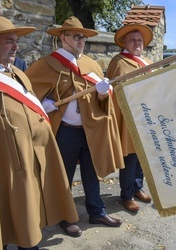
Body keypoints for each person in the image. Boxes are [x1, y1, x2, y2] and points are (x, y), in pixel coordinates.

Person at [0, 15, 79, 249]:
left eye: (16, 40)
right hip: (3, 167)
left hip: (30, 163)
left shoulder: (18, 74)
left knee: (29, 223)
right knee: (6, 222)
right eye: (8, 41)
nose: (15, 46)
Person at [25, 16, 125, 235]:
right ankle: (65, 216)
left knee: (92, 173)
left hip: (90, 130)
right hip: (65, 132)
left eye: (84, 36)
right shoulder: (46, 64)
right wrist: (43, 104)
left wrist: (102, 94)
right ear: (63, 37)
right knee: (64, 176)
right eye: (77, 36)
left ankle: (96, 211)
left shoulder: (91, 65)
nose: (81, 40)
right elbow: (26, 96)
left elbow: (102, 100)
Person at [106, 24, 153, 213]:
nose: (137, 43)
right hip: (128, 117)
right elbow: (116, 92)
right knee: (130, 156)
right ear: (124, 42)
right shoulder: (119, 61)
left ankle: (137, 187)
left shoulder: (148, 62)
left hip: (146, 115)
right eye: (132, 40)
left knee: (142, 155)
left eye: (139, 40)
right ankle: (126, 194)